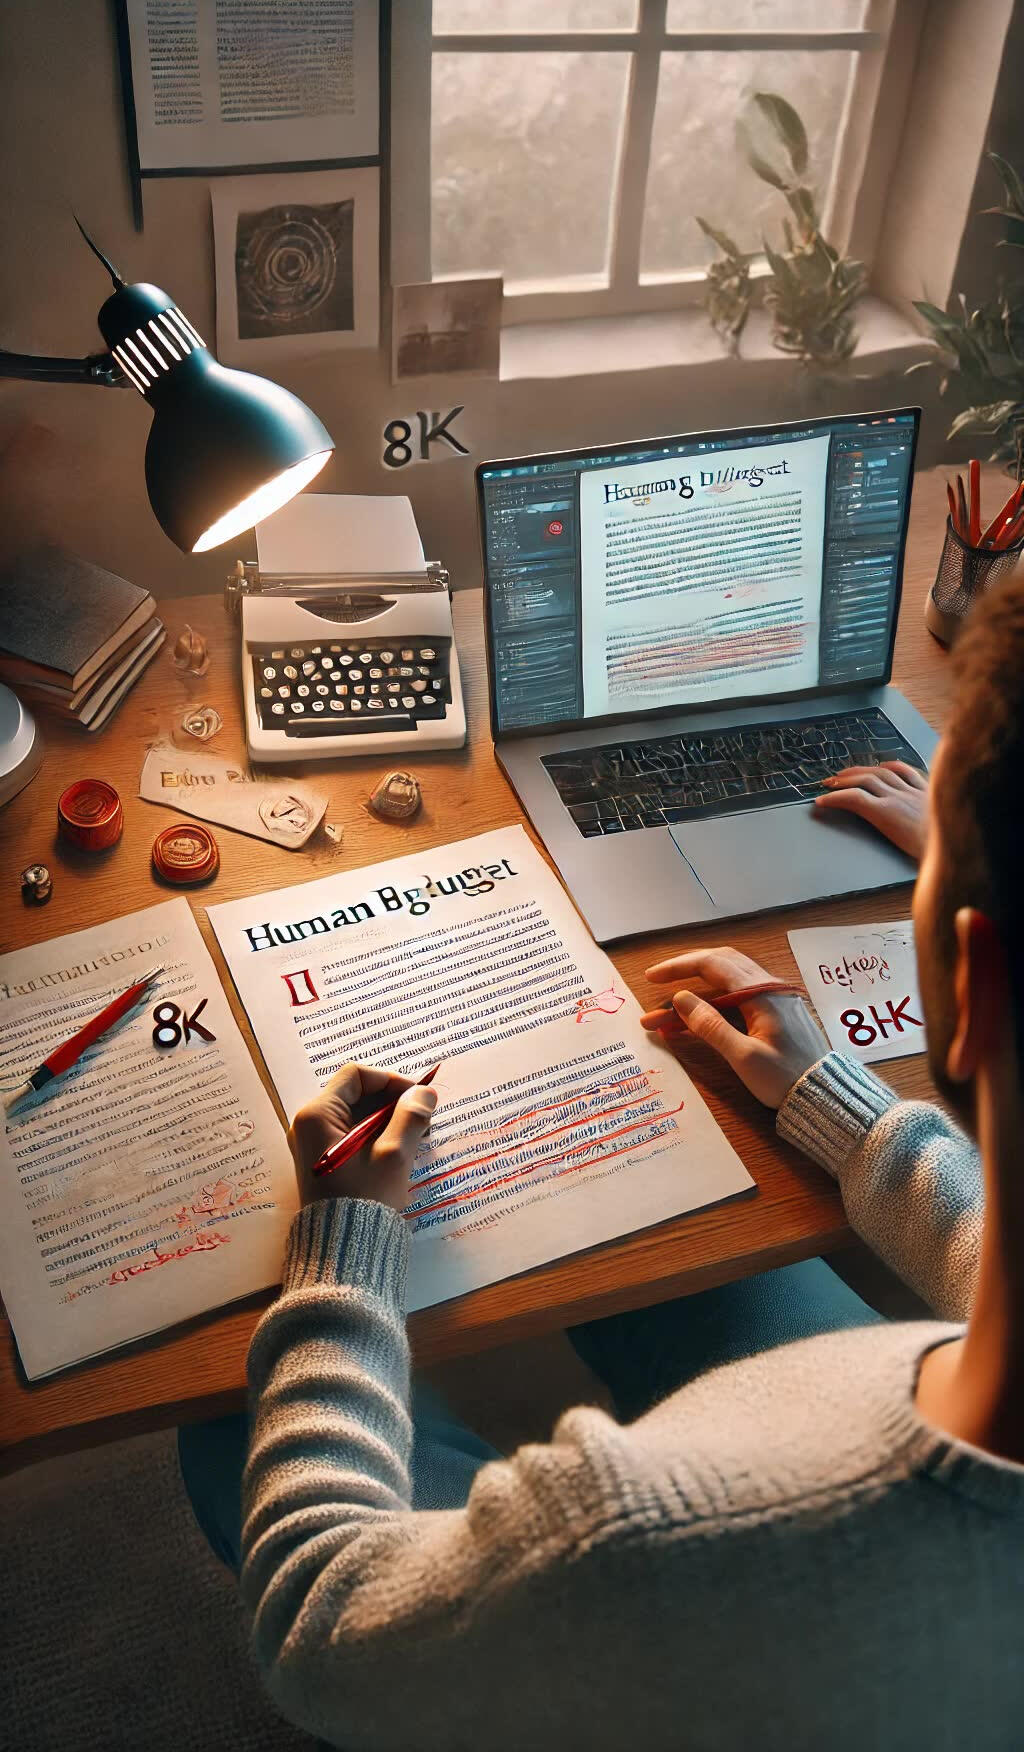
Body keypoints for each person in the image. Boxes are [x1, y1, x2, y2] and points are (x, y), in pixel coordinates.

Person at [180, 575, 1024, 1749]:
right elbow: (992, 1254)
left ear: (973, 983)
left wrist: (347, 1250)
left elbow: (322, 1617)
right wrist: (834, 1101)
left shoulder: (627, 1533)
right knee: (686, 1256)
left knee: (219, 1406)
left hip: (781, 1610)